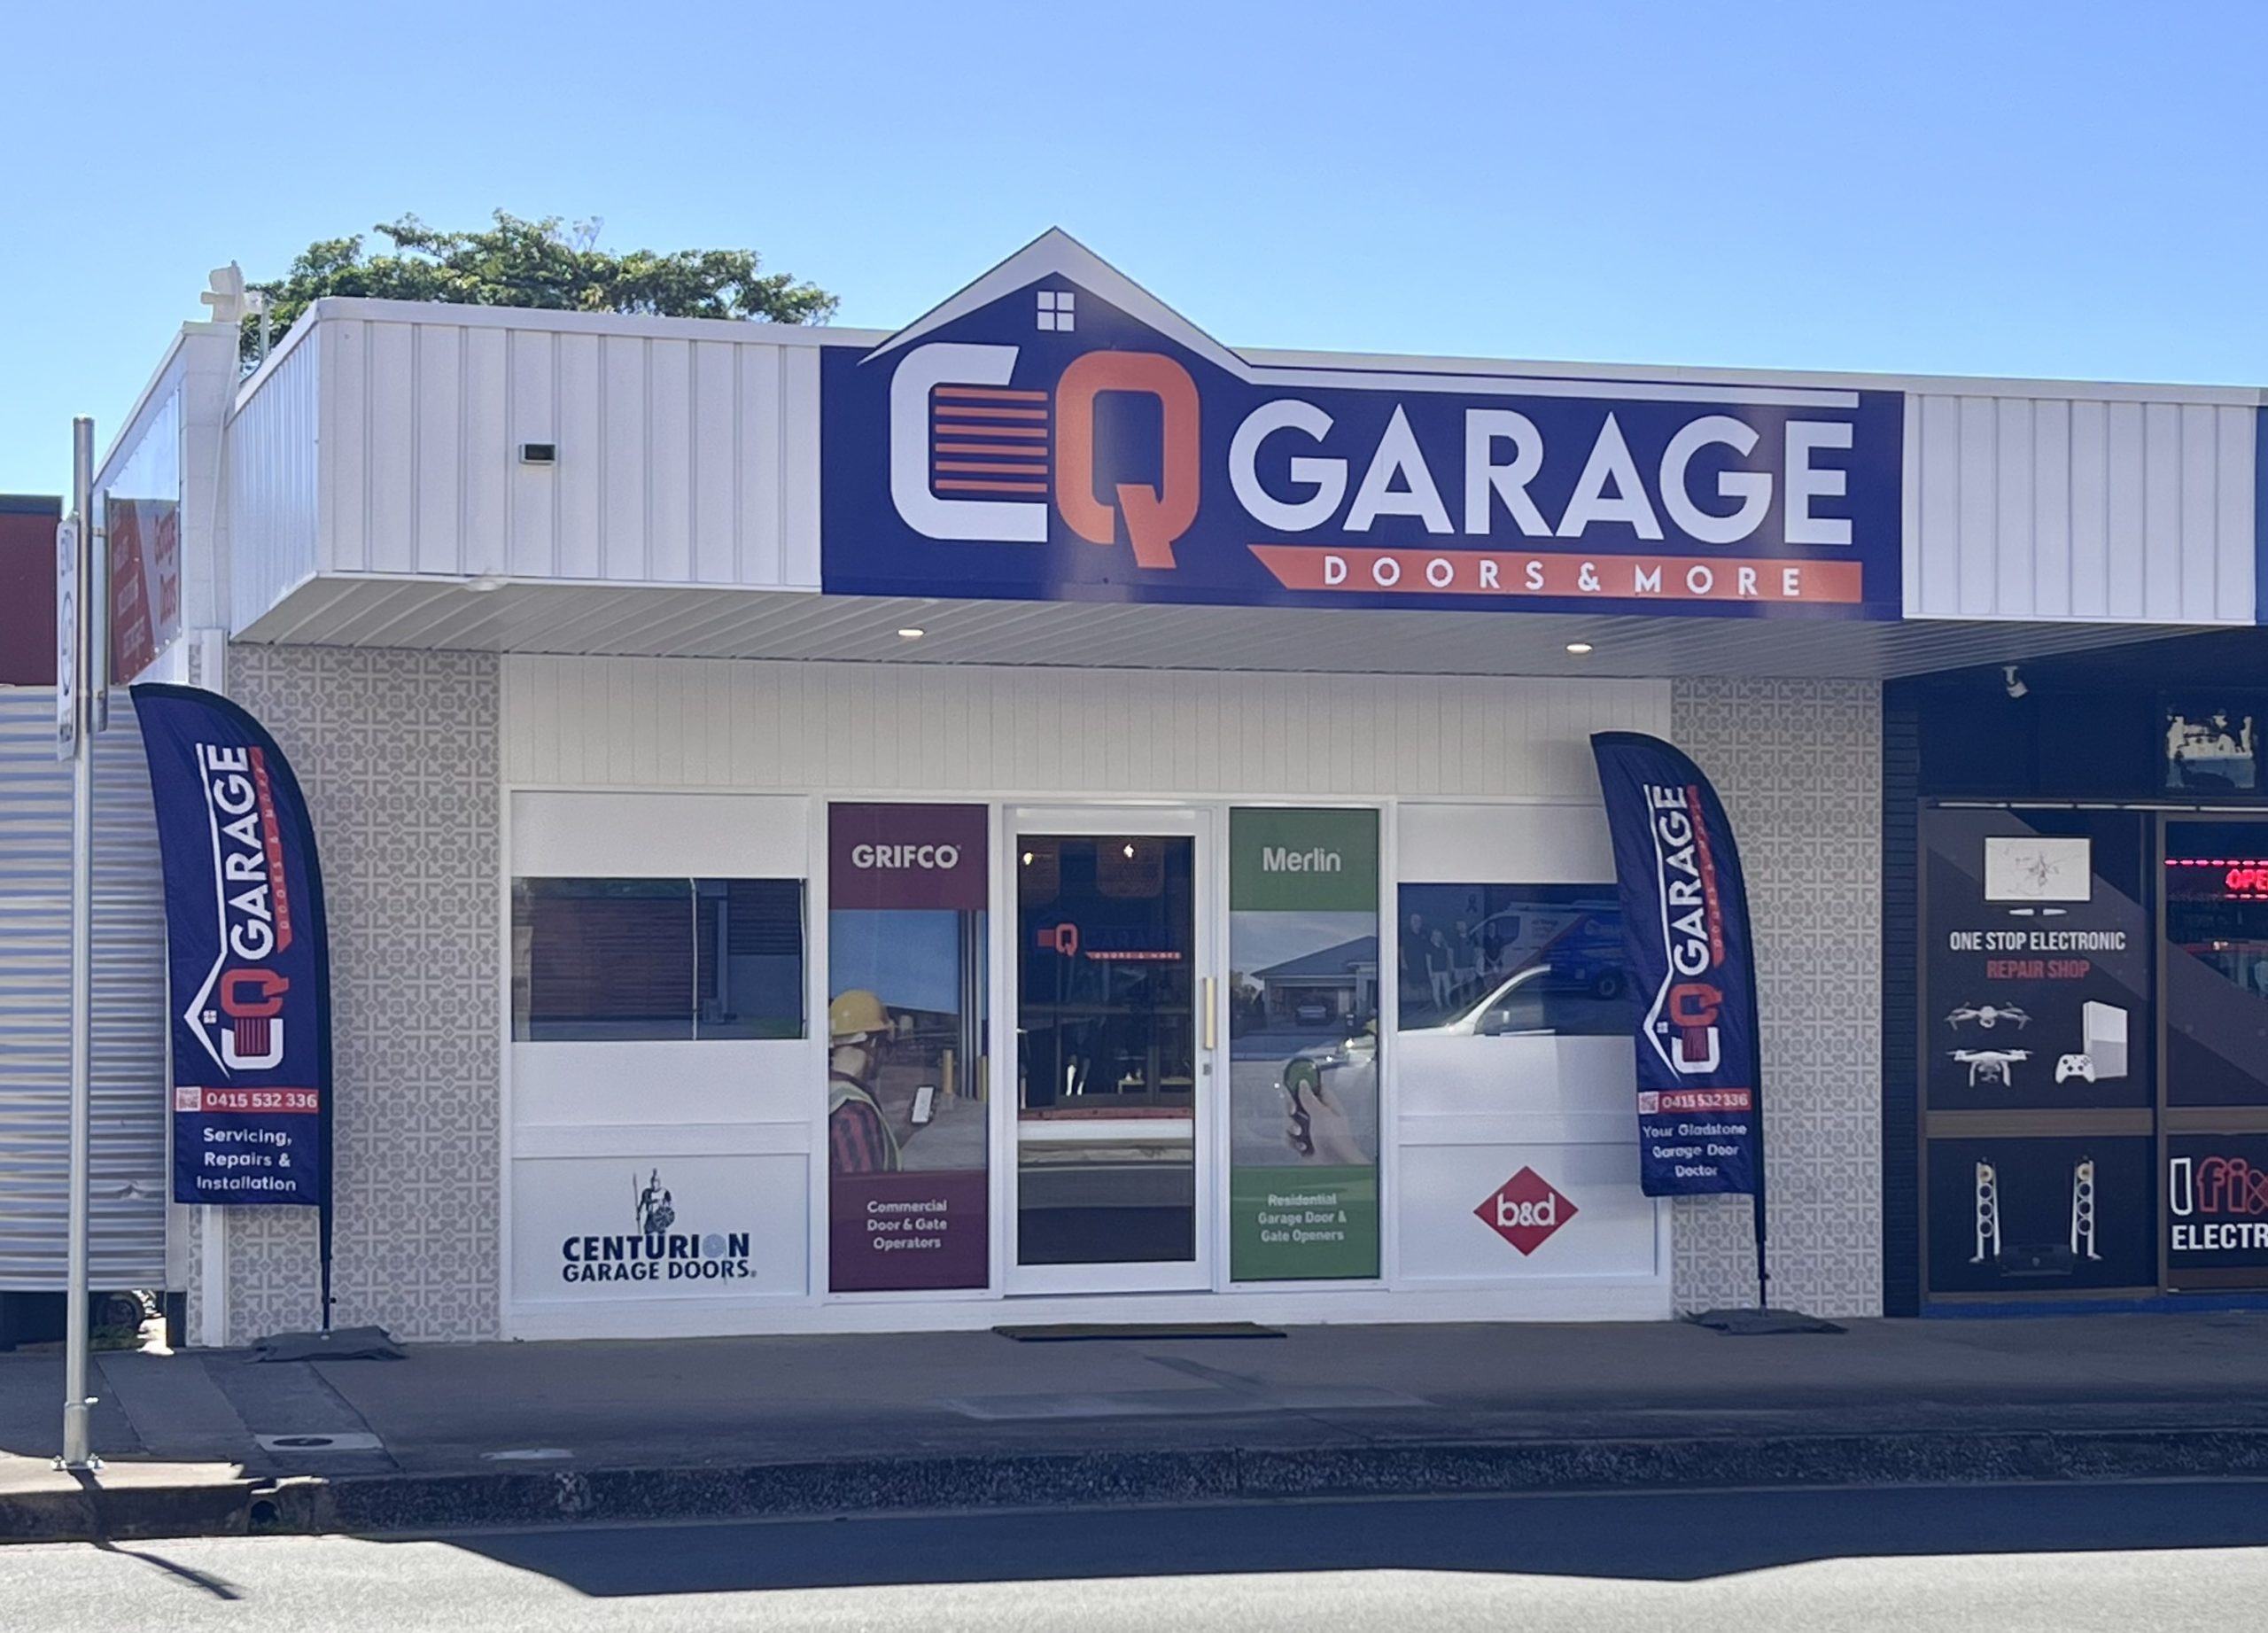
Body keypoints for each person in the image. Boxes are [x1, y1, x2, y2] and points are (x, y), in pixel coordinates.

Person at [827, 989, 900, 1174]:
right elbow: (865, 1192)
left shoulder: (827, 1091)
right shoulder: (854, 1112)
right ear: (874, 1043)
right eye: (887, 1046)